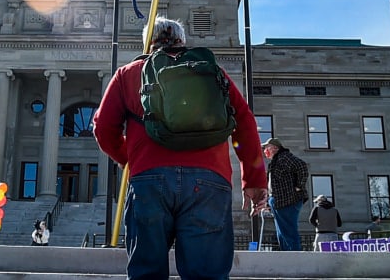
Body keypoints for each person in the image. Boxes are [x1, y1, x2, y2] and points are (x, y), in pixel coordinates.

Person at [94, 16, 268, 280]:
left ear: (148, 43)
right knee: (207, 275)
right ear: (182, 41)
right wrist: (253, 179)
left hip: (150, 180)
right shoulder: (213, 72)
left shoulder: (128, 74)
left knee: (146, 274)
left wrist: (127, 157)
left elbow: (103, 129)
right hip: (210, 181)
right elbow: (244, 124)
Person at [263, 138, 309, 251]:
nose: (265, 150)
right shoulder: (276, 161)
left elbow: (302, 166)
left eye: (267, 147)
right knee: (282, 232)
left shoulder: (284, 157)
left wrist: (299, 186)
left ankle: (294, 257)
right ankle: (287, 255)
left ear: (275, 148)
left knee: (288, 231)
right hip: (279, 201)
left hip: (288, 200)